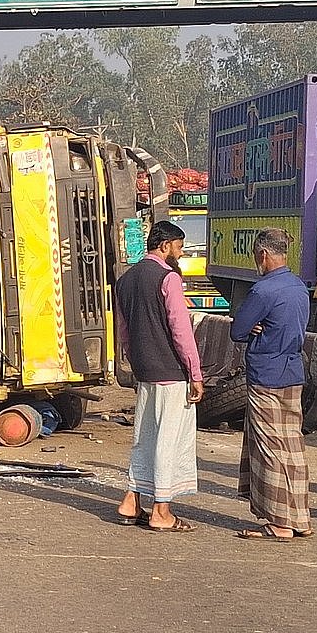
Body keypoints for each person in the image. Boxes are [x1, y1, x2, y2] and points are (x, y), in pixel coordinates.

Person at [112, 221, 204, 533]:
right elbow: (181, 330)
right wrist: (195, 373)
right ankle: (161, 510)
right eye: (179, 247)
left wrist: (137, 363)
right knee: (169, 439)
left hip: (145, 372)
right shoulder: (169, 278)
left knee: (144, 436)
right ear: (164, 246)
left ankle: (131, 500)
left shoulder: (125, 281)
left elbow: (124, 333)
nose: (180, 253)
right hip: (171, 371)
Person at [230, 228, 313, 541]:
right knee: (293, 447)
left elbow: (238, 330)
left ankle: (279, 522)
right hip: (292, 372)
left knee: (269, 448)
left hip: (266, 375)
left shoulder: (264, 291)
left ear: (263, 255)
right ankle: (301, 518)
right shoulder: (298, 287)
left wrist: (256, 327)